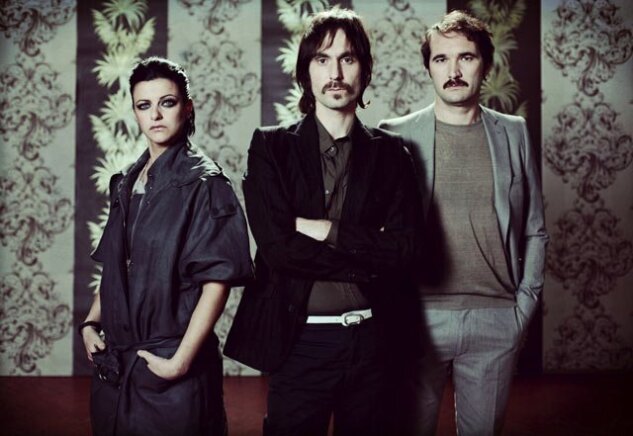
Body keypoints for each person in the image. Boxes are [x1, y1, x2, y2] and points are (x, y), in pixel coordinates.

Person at [224, 7, 419, 436]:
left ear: (365, 70)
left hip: (375, 342)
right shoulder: (271, 147)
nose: (336, 73)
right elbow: (278, 250)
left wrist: (325, 230)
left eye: (348, 58)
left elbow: (405, 250)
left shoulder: (392, 154)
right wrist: (369, 251)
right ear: (305, 72)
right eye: (322, 59)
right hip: (300, 342)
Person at [379, 10, 548, 436]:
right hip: (418, 317)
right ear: (429, 68)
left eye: (466, 58)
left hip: (497, 316)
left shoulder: (513, 132)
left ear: (485, 65)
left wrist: (523, 307)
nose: (453, 71)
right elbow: (377, 234)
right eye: (441, 59)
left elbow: (534, 227)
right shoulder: (395, 135)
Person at [79, 57, 252, 436]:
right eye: (144, 105)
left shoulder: (206, 184)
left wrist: (180, 362)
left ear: (187, 108)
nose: (155, 115)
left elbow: (217, 282)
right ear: (135, 112)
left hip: (172, 366)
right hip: (116, 369)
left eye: (167, 103)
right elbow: (115, 268)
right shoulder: (125, 182)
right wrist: (91, 324)